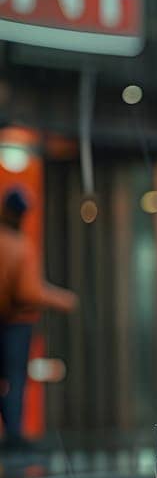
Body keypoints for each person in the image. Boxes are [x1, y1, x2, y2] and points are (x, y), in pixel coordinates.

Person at [0, 188, 77, 451]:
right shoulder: (20, 246)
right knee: (14, 378)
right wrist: (63, 300)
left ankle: (11, 432)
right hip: (15, 323)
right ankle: (13, 434)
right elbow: (27, 292)